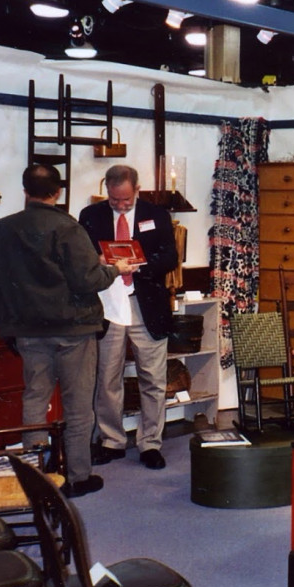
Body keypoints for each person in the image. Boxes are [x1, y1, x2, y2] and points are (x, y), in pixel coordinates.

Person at [0, 164, 138, 498]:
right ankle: (78, 476)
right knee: (78, 405)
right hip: (73, 330)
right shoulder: (68, 229)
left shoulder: (1, 229)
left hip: (28, 331)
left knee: (35, 398)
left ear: (24, 190)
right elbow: (88, 280)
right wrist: (114, 269)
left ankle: (34, 475)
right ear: (58, 192)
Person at [79, 165, 178, 470]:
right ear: (106, 191)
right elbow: (80, 258)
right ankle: (111, 441)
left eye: (126, 200)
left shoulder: (156, 215)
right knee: (107, 379)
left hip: (145, 303)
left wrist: (140, 266)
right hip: (107, 305)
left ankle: (150, 443)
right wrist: (97, 261)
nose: (121, 206)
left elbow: (171, 258)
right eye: (114, 201)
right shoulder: (90, 216)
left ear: (137, 189)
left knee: (153, 378)